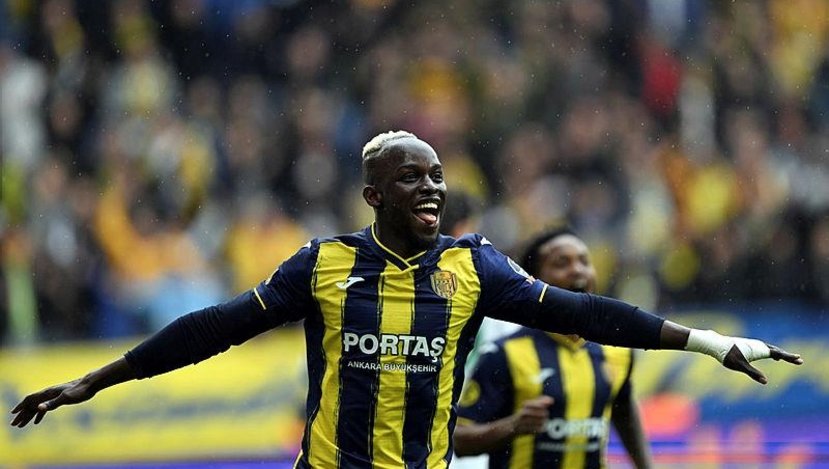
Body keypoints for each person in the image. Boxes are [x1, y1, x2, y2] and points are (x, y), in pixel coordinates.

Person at [10, 131, 802, 469]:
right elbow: (213, 329)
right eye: (410, 177)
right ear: (372, 193)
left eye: (436, 176)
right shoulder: (322, 265)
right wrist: (98, 379)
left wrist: (709, 342)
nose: (431, 187)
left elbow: (589, 314)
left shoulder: (474, 267)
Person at [454, 227, 652, 468]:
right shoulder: (505, 354)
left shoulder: (617, 350)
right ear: (534, 282)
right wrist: (513, 426)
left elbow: (623, 409)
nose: (577, 270)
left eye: (584, 261)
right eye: (561, 263)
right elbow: (459, 440)